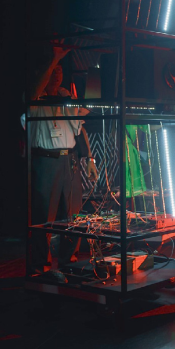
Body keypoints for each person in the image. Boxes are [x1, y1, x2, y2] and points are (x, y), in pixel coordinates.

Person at [27, 42, 98, 277]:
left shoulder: (66, 96)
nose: (57, 74)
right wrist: (54, 59)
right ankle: (40, 267)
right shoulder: (35, 98)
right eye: (52, 69)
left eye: (59, 70)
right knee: (43, 219)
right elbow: (34, 90)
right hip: (45, 161)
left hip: (69, 161)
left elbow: (80, 129)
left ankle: (70, 263)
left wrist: (89, 158)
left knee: (72, 216)